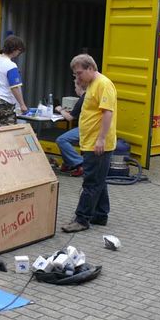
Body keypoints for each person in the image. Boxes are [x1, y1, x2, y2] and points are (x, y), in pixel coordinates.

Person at [61, 54, 117, 233]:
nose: (77, 78)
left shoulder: (104, 84)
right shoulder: (92, 84)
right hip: (91, 141)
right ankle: (101, 215)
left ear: (91, 68)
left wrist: (101, 139)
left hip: (97, 143)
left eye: (79, 73)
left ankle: (82, 219)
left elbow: (107, 113)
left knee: (90, 182)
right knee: (99, 179)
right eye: (75, 74)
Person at [0, 35, 28, 125]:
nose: (19, 54)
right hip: (5, 102)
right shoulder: (11, 65)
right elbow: (14, 87)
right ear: (16, 49)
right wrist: (22, 104)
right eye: (19, 51)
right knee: (7, 131)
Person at [54, 80, 86, 177]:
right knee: (66, 138)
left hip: (87, 128)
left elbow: (69, 118)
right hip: (92, 127)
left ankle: (79, 163)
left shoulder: (82, 99)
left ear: (79, 87)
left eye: (75, 87)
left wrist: (60, 109)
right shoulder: (88, 97)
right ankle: (68, 164)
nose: (75, 90)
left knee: (61, 140)